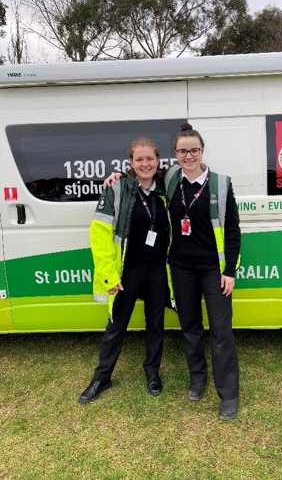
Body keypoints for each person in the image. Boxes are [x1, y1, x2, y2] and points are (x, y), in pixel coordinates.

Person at [104, 124, 241, 420]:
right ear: (175, 154)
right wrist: (117, 177)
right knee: (189, 328)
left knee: (220, 332)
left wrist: (230, 270)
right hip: (180, 267)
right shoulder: (171, 178)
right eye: (182, 151)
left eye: (194, 150)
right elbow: (140, 177)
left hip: (212, 269)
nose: (188, 155)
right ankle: (197, 378)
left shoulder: (221, 183)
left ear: (202, 151)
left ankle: (228, 394)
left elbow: (232, 230)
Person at [79, 137, 169, 403]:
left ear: (158, 161)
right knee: (116, 325)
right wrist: (109, 275)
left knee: (155, 323)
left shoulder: (166, 188)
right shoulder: (117, 188)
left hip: (156, 270)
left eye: (149, 158)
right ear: (130, 162)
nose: (145, 164)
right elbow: (99, 235)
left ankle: (152, 372)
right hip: (126, 271)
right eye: (139, 159)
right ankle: (101, 378)